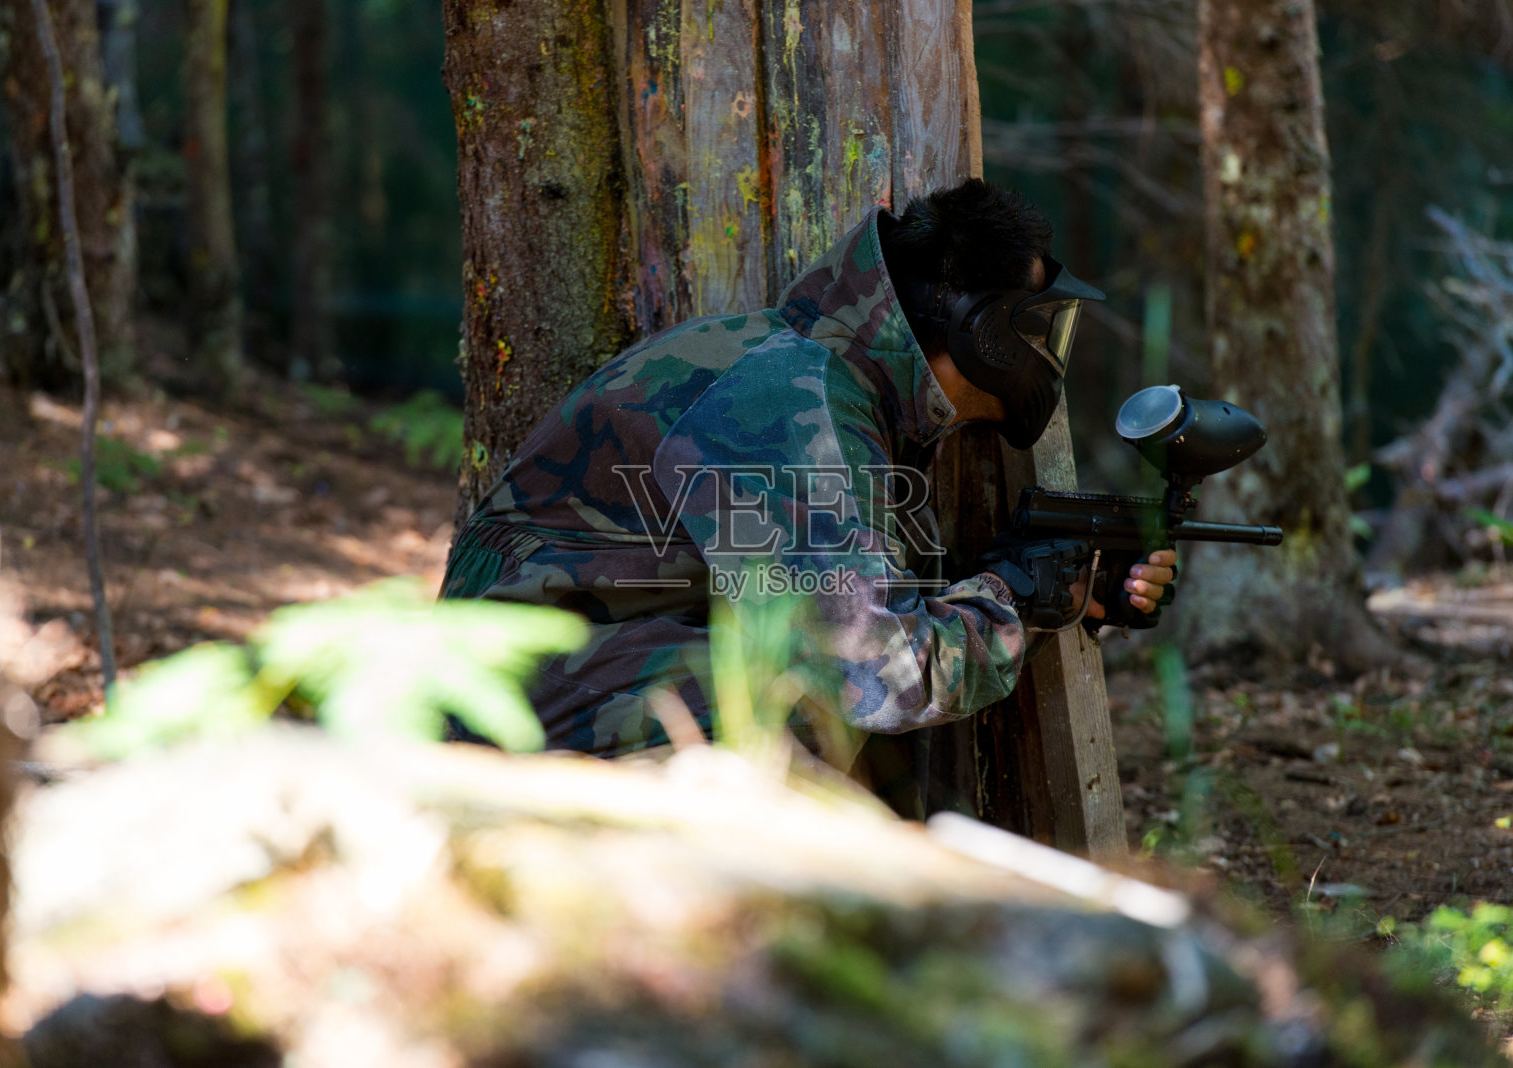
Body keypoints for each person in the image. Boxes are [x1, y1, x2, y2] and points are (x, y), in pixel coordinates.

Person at [441, 179, 1177, 759]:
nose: (1047, 350)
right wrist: (1014, 600)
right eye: (1036, 324)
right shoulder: (794, 397)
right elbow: (876, 675)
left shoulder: (826, 379)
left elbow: (844, 587)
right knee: (797, 688)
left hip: (550, 677)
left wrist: (1062, 589)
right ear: (984, 332)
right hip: (499, 706)